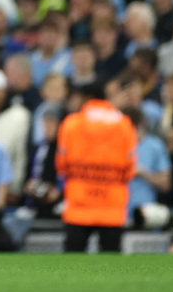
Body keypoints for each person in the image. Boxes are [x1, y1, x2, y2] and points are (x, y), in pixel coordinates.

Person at [56, 83, 137, 253]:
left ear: (86, 97)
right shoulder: (124, 124)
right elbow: (130, 168)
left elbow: (61, 164)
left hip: (79, 204)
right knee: (110, 259)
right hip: (111, 205)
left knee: (72, 262)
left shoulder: (71, 123)